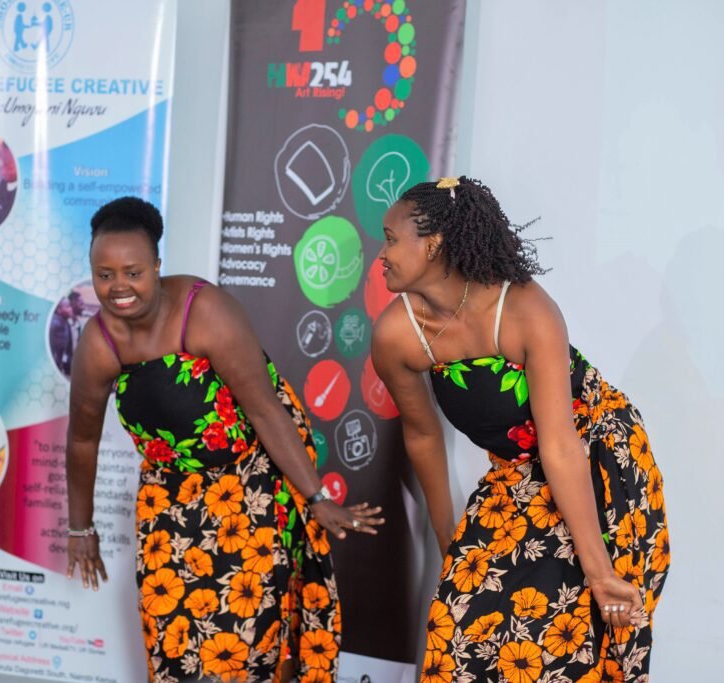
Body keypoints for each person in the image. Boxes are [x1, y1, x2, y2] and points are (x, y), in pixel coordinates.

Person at [65, 197, 383, 683]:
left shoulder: (205, 310)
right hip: (168, 498)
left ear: (157, 265)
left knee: (244, 641)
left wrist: (315, 496)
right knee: (171, 636)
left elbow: (263, 407)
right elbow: (82, 441)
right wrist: (80, 529)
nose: (118, 288)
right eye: (103, 275)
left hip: (249, 486)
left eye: (132, 272)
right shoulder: (99, 342)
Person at [371, 177, 669, 682]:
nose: (382, 253)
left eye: (392, 239)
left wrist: (598, 571)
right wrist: (448, 534)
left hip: (596, 459)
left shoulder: (526, 310)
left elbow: (559, 445)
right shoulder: (397, 335)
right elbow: (421, 435)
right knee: (460, 625)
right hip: (516, 472)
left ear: (434, 244)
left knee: (572, 632)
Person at [49, 297, 75, 376]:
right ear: (59, 310)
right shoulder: (54, 323)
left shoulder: (65, 323)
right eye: (68, 307)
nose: (71, 309)